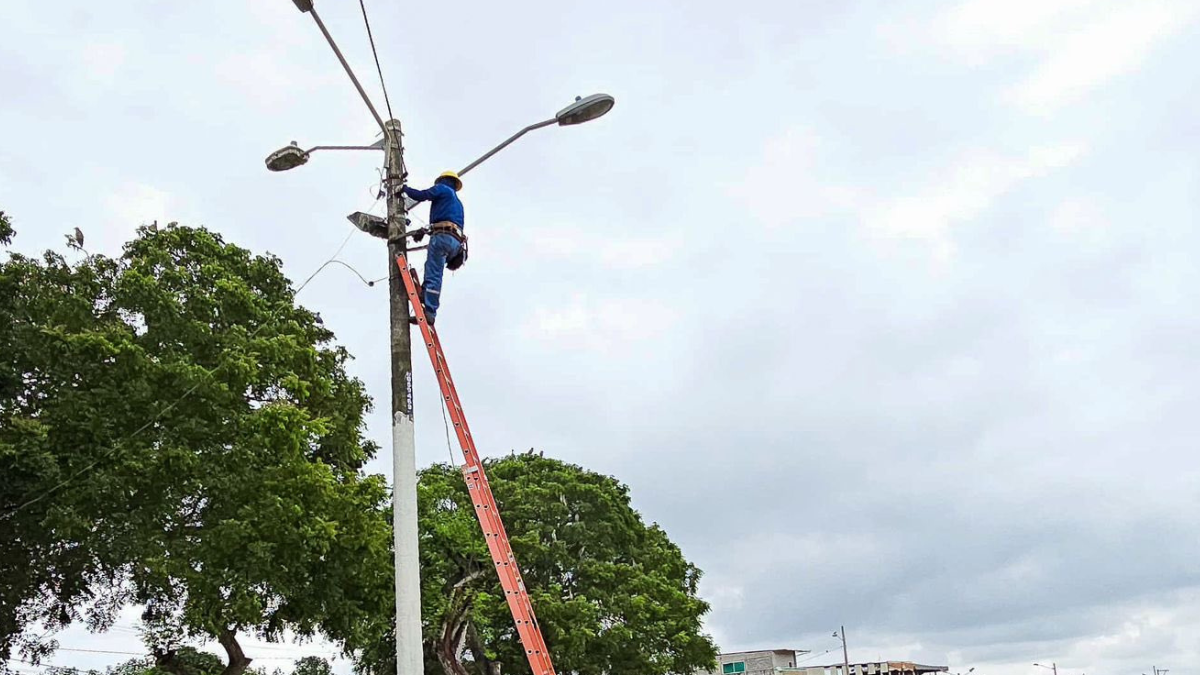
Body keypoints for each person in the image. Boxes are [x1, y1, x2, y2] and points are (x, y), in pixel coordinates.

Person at [402, 171, 464, 326]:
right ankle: (426, 295)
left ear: (443, 180)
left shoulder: (443, 189)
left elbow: (422, 195)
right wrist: (424, 231)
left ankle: (430, 311)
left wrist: (404, 188)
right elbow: (447, 222)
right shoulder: (457, 202)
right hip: (456, 243)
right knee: (433, 270)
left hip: (442, 238)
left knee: (434, 274)